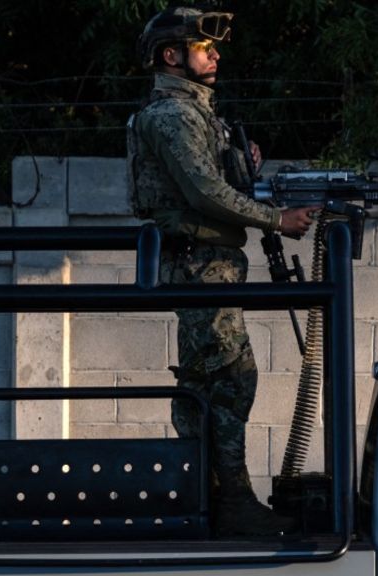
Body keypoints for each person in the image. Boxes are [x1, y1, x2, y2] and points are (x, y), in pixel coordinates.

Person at [127, 6, 318, 535]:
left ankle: (206, 494)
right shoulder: (171, 115)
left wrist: (240, 160)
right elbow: (203, 192)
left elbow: (212, 179)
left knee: (211, 382)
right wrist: (276, 219)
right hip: (198, 263)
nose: (215, 54)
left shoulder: (195, 114)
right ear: (172, 55)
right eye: (203, 47)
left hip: (209, 262)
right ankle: (227, 500)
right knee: (228, 379)